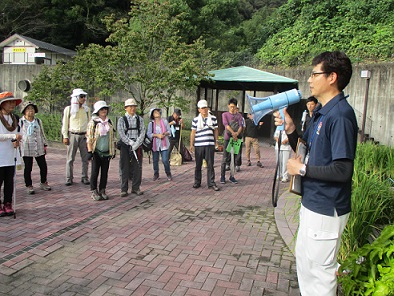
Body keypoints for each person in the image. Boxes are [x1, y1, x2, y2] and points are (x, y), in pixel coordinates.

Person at [274, 51, 357, 296]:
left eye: (314, 74)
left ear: (332, 77)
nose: (309, 79)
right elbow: (305, 146)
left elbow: (343, 170)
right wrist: (291, 130)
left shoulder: (340, 115)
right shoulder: (322, 112)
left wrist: (301, 169)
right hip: (313, 203)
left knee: (320, 276)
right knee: (307, 266)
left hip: (326, 206)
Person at [86, 101, 116, 201]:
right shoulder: (93, 122)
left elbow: (113, 137)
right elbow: (89, 138)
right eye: (102, 109)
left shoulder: (109, 122)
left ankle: (102, 190)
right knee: (95, 172)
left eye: (105, 109)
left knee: (105, 172)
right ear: (98, 111)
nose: (104, 111)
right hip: (96, 151)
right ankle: (94, 190)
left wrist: (113, 150)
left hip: (107, 151)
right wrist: (90, 152)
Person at [19, 101, 51, 194]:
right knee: (28, 167)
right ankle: (29, 185)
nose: (30, 111)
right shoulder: (21, 122)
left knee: (43, 166)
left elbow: (42, 133)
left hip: (39, 146)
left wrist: (45, 144)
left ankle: (43, 182)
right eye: (28, 109)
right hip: (27, 147)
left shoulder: (38, 121)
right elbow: (18, 134)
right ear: (24, 111)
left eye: (32, 109)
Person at [61, 88, 90, 186]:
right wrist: (65, 136)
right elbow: (65, 124)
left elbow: (89, 123)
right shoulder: (68, 109)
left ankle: (85, 177)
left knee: (85, 158)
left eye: (84, 96)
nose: (83, 99)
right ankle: (69, 178)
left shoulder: (86, 110)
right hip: (72, 135)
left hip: (84, 135)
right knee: (70, 158)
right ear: (76, 98)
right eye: (81, 96)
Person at [0, 92, 22, 216]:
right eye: (9, 102)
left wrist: (17, 139)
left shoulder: (15, 118)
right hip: (0, 155)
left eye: (13, 102)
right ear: (2, 104)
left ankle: (8, 203)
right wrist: (12, 136)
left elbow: (20, 133)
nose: (12, 104)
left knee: (9, 181)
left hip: (11, 155)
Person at [190, 100, 220, 191]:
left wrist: (217, 141)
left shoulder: (213, 118)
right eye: (202, 108)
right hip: (199, 145)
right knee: (198, 164)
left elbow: (216, 130)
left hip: (209, 144)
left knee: (210, 164)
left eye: (205, 108)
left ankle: (211, 183)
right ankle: (197, 182)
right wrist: (191, 144)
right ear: (199, 109)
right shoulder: (195, 120)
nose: (204, 110)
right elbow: (193, 132)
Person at [117, 98, 145, 197]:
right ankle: (124, 189)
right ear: (126, 108)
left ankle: (136, 187)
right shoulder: (122, 120)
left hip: (137, 145)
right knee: (124, 167)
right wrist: (130, 142)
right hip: (126, 145)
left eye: (134, 106)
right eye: (130, 106)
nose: (133, 108)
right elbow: (121, 133)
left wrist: (137, 143)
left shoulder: (139, 119)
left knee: (137, 167)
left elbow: (142, 132)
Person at [220, 98, 243, 184]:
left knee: (234, 157)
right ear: (228, 106)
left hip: (236, 139)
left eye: (234, 107)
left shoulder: (239, 116)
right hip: (228, 138)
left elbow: (241, 126)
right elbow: (226, 125)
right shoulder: (225, 114)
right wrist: (233, 133)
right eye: (231, 106)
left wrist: (237, 134)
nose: (232, 108)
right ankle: (222, 176)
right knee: (225, 157)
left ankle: (232, 176)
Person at [147, 108, 172, 181]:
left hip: (164, 144)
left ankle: (168, 173)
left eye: (158, 111)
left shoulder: (164, 121)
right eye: (155, 112)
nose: (157, 113)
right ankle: (156, 173)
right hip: (155, 144)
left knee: (165, 160)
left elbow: (169, 131)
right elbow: (149, 134)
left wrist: (165, 133)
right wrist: (157, 135)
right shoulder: (151, 123)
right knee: (155, 160)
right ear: (152, 115)